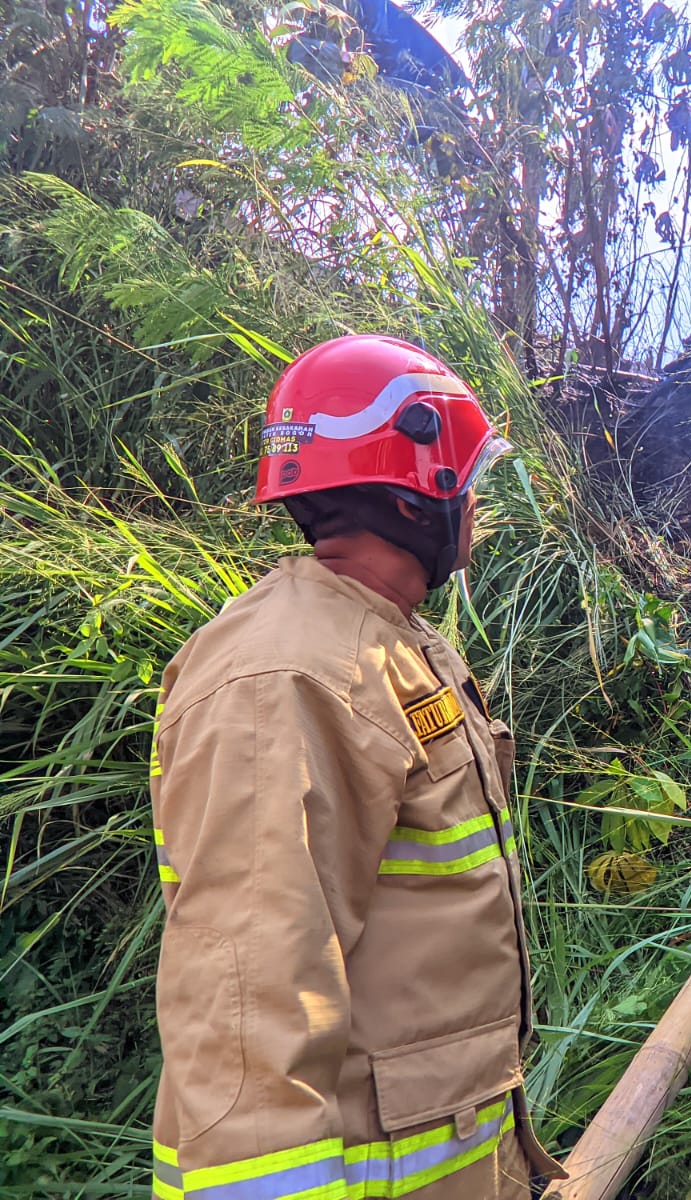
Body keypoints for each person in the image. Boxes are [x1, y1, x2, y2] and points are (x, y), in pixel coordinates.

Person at [148, 334, 566, 1198]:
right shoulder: (284, 678)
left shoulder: (387, 644)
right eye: (469, 478)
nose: (479, 506)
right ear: (419, 494)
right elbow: (248, 1003)